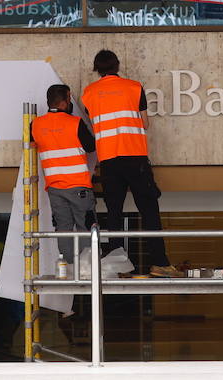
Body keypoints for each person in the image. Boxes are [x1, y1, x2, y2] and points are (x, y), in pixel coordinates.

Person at [80, 50, 184, 278]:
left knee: (114, 212)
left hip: (108, 160)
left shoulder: (88, 93)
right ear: (117, 66)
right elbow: (145, 123)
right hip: (135, 157)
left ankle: (118, 267)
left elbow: (94, 122)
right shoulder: (135, 87)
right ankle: (159, 263)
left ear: (97, 69)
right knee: (148, 209)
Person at [31, 83, 97, 269]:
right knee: (85, 228)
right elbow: (91, 147)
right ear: (63, 102)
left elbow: (32, 142)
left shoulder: (35, 125)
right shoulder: (75, 123)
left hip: (55, 189)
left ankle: (67, 270)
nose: (70, 102)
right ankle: (87, 269)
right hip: (79, 187)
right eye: (69, 99)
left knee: (63, 228)